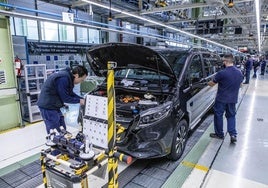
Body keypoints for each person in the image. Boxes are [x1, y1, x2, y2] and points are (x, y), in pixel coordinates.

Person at [37, 65, 88, 134]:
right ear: (76, 75)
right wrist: (79, 101)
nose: (81, 82)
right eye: (81, 80)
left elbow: (70, 93)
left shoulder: (67, 76)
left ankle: (62, 142)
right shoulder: (63, 79)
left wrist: (81, 98)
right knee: (54, 129)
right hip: (48, 106)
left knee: (62, 127)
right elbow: (66, 98)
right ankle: (54, 142)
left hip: (54, 105)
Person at [208, 54, 243, 143]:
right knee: (231, 116)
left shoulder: (222, 73)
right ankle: (233, 134)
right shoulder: (239, 72)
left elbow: (212, 84)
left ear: (226, 62)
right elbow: (240, 85)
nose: (223, 63)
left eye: (223, 61)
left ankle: (219, 134)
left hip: (221, 99)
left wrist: (207, 82)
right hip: (232, 99)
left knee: (218, 116)